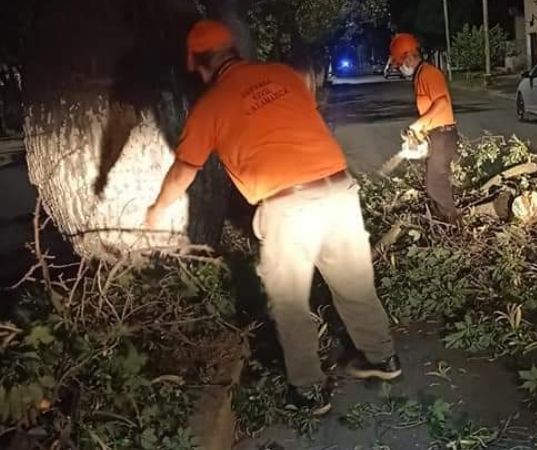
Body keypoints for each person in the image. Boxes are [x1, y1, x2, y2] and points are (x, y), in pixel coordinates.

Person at [144, 20, 401, 416]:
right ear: (233, 50)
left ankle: (308, 392)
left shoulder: (210, 105)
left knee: (290, 302)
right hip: (338, 190)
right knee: (354, 284)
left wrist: (157, 210)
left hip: (288, 207)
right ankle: (383, 359)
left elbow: (184, 170)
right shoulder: (282, 75)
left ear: (197, 63)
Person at [389, 33, 460, 224]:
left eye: (400, 63)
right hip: (436, 135)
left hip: (443, 135)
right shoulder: (420, 76)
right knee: (434, 182)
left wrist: (418, 124)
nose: (400, 68)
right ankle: (443, 223)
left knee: (436, 184)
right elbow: (430, 111)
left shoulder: (429, 73)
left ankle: (453, 224)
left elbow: (443, 104)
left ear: (409, 57)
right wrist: (418, 133)